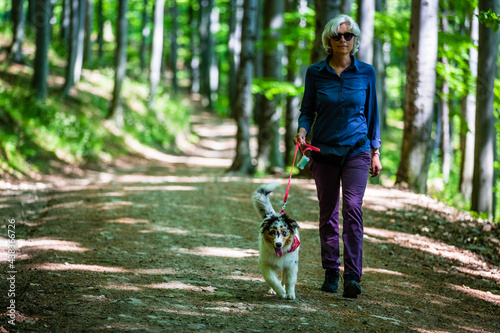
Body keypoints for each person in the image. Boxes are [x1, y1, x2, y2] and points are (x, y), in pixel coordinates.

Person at [293, 14, 382, 298]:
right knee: (328, 213)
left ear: (355, 40)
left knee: (353, 208)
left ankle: (353, 277)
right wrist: (302, 129)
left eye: (349, 35)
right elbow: (307, 109)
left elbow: (373, 114)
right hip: (323, 152)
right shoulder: (315, 72)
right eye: (338, 36)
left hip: (357, 150)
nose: (343, 40)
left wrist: (375, 150)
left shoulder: (366, 72)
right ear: (328, 41)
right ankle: (332, 270)